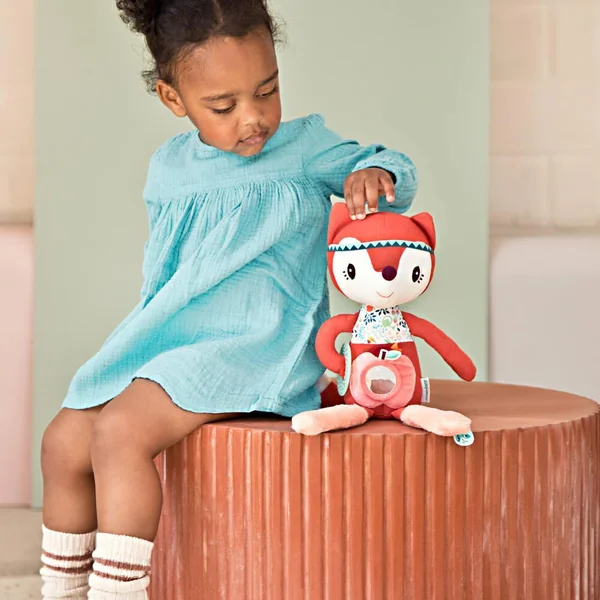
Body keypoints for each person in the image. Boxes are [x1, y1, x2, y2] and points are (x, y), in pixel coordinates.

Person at [39, 0, 418, 598]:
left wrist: (377, 175)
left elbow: (385, 163)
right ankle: (60, 591)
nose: (253, 118)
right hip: (176, 335)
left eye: (267, 91)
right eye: (224, 106)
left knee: (120, 433)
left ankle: (118, 592)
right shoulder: (169, 167)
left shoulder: (303, 149)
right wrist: (144, 343)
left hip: (258, 342)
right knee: (62, 441)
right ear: (174, 100)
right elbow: (166, 271)